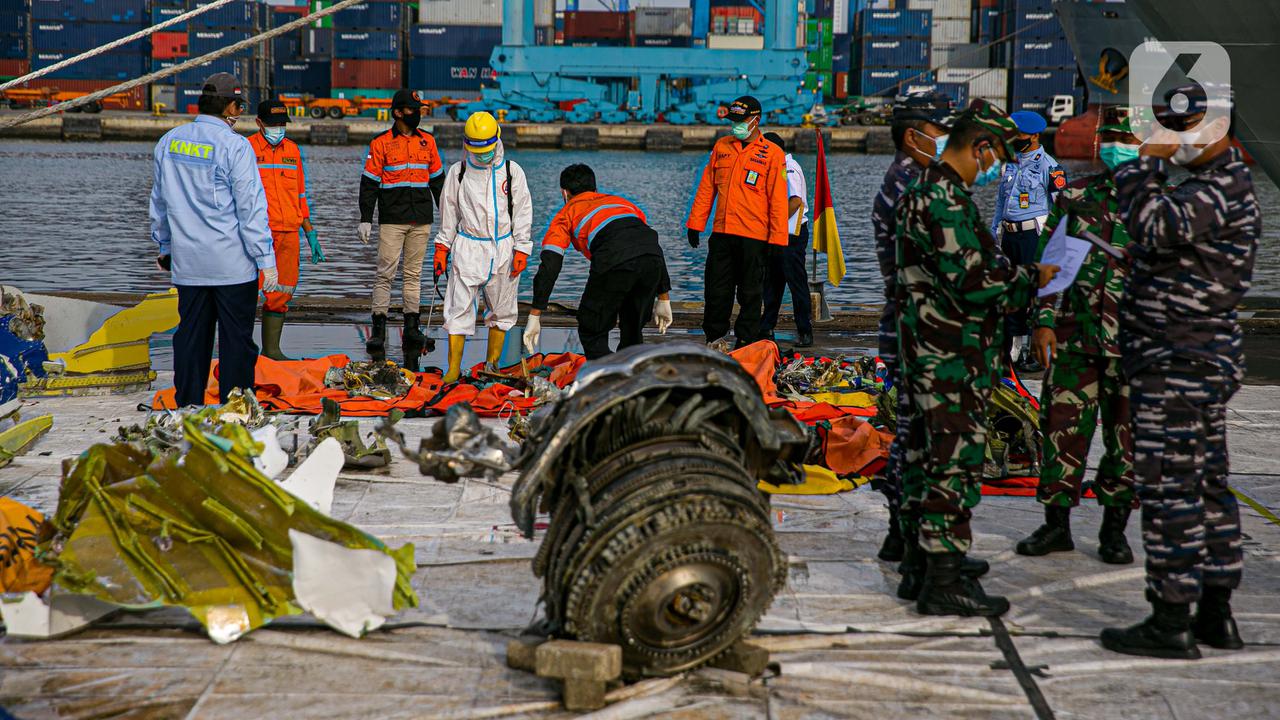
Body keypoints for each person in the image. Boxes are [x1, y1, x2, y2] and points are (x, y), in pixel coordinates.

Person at [1101, 84, 1260, 659]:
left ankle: (1171, 619)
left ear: (1213, 127)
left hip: (1178, 361)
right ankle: (1216, 613)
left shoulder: (1217, 188)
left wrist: (1143, 162)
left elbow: (1150, 224)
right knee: (1207, 484)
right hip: (1191, 356)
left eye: (1178, 126)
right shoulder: (1215, 186)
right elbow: (1173, 248)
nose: (1166, 136)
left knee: (1170, 487)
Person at [895, 99, 1059, 616]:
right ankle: (943, 579)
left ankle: (921, 565)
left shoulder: (935, 192)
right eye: (997, 156)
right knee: (952, 465)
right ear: (982, 147)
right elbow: (972, 280)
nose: (997, 168)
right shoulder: (942, 198)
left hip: (936, 349)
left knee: (925, 459)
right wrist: (1033, 278)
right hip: (949, 356)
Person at [1016, 107, 1139, 564]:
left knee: (1128, 442)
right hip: (1075, 340)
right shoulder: (1077, 196)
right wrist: (1044, 321)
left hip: (1135, 344)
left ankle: (1114, 530)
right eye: (1111, 138)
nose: (1117, 147)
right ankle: (1056, 526)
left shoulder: (1164, 206)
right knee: (1061, 432)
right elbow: (1051, 263)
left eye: (1127, 139)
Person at [150, 72, 276, 406]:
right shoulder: (235, 146)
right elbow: (250, 209)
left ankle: (188, 405)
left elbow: (159, 203)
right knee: (236, 343)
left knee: (191, 339)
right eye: (240, 106)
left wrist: (165, 247)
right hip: (231, 265)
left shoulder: (169, 142)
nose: (241, 113)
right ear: (230, 107)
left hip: (188, 265)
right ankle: (234, 407)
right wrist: (266, 260)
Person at [870, 90, 955, 564]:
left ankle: (900, 535)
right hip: (919, 328)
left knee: (914, 434)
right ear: (912, 136)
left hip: (916, 325)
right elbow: (941, 265)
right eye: (940, 131)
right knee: (921, 438)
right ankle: (910, 537)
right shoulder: (911, 188)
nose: (947, 139)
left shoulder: (917, 180)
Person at [523, 164, 673, 359]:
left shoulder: (565, 214)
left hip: (613, 258)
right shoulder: (624, 204)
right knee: (633, 328)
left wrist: (535, 314)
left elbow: (550, 265)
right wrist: (663, 296)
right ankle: (629, 371)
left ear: (564, 193)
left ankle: (608, 371)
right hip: (652, 262)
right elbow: (648, 245)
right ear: (595, 188)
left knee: (591, 328)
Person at [432, 111, 533, 382]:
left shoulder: (512, 172)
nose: (484, 154)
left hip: (504, 249)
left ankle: (492, 364)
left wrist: (522, 248)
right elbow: (449, 213)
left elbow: (523, 212)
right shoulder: (459, 173)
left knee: (502, 309)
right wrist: (442, 248)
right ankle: (453, 370)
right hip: (468, 247)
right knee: (458, 309)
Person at [686, 95, 789, 348]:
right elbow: (707, 188)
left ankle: (746, 340)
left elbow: (778, 200)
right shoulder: (722, 147)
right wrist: (695, 224)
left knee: (751, 293)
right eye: (733, 121)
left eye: (740, 122)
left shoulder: (772, 154)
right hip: (722, 233)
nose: (736, 126)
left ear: (756, 120)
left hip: (754, 236)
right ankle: (714, 338)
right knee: (716, 290)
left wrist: (778, 240)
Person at [358, 89, 446, 356]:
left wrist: (449, 218)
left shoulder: (428, 142)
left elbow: (439, 183)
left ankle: (412, 327)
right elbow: (369, 184)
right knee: (385, 273)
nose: (417, 114)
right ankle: (379, 331)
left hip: (421, 219)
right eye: (412, 110)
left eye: (419, 109)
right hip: (392, 220)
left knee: (413, 274)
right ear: (397, 113)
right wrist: (365, 219)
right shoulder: (381, 143)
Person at [990, 110, 1067, 371]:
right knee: (1010, 292)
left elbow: (1061, 206)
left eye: (1019, 134)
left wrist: (1055, 242)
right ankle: (1011, 351)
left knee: (1032, 292)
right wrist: (994, 231)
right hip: (1009, 234)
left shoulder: (1049, 167)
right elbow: (1001, 201)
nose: (1014, 139)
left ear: (1034, 136)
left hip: (1032, 235)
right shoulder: (1010, 163)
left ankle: (1030, 352)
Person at [249, 99, 323, 361]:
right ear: (259, 123)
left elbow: (300, 194)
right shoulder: (245, 148)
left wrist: (310, 232)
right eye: (273, 124)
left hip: (289, 232)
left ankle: (272, 351)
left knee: (282, 291)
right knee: (246, 291)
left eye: (282, 123)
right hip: (258, 234)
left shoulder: (292, 150)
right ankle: (243, 351)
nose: (278, 128)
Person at [757, 132, 812, 348]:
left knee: (796, 283)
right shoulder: (777, 167)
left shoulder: (789, 168)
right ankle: (766, 328)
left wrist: (774, 222)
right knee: (772, 283)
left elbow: (795, 201)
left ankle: (805, 331)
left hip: (791, 235)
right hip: (777, 234)